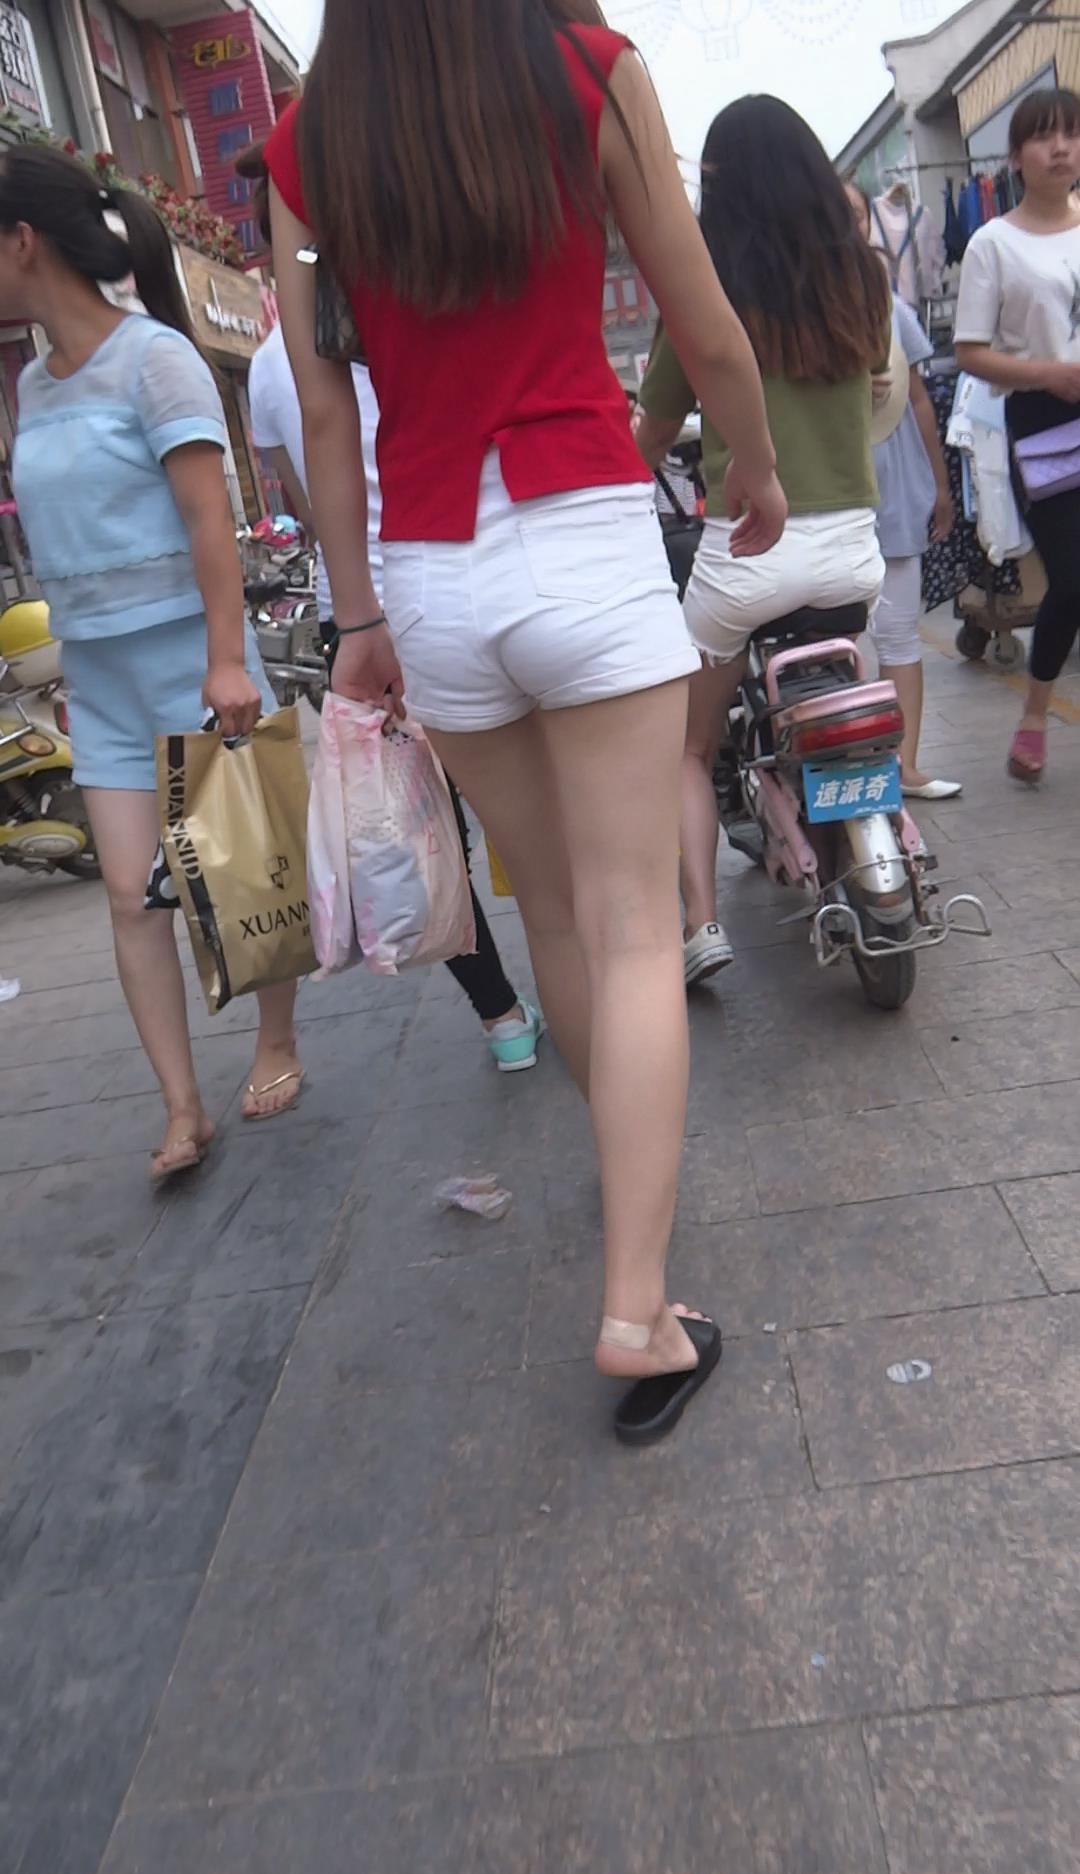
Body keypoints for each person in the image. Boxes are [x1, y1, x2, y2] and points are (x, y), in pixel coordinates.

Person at [264, 0, 786, 1438]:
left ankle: (627, 1185)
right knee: (636, 923)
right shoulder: (590, 72)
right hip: (584, 534)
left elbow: (324, 410)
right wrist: (753, 467)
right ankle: (636, 1304)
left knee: (550, 907)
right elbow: (699, 316)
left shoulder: (308, 144)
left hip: (433, 573)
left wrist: (357, 618)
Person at [0, 145, 303, 1181]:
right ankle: (182, 1107)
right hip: (100, 679)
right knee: (130, 895)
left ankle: (276, 1041)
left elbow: (210, 519)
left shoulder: (157, 358)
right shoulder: (34, 384)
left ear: (23, 242)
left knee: (242, 868)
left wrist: (226, 660)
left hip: (189, 655)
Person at [244, 166, 542, 1074]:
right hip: (453, 577)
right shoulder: (410, 308)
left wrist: (353, 606)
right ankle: (576, 974)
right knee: (523, 803)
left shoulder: (267, 366)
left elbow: (301, 500)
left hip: (364, 613)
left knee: (425, 825)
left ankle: (503, 1018)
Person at [635, 95, 887, 985]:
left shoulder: (703, 296)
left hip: (747, 562)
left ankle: (702, 925)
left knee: (689, 751)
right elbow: (873, 383)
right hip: (854, 557)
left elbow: (651, 434)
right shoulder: (864, 279)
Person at [954, 87, 1080, 784]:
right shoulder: (992, 244)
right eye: (1043, 136)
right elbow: (970, 353)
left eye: (1072, 134)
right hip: (1045, 420)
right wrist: (1046, 375)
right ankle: (1034, 713)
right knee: (1073, 578)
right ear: (1015, 156)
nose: (1060, 148)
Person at [845, 180, 961, 801]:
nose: (845, 224)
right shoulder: (789, 311)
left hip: (893, 480)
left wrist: (939, 486)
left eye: (855, 213)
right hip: (828, 487)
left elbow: (917, 399)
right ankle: (850, 768)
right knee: (838, 639)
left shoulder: (893, 309)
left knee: (898, 632)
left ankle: (904, 765)